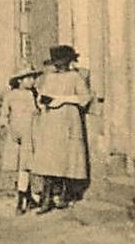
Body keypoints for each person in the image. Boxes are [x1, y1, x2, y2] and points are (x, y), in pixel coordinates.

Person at [29, 44, 92, 212]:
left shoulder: (75, 77)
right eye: (57, 62)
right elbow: (42, 95)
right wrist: (42, 102)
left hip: (68, 119)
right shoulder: (49, 78)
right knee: (48, 160)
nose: (59, 65)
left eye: (62, 62)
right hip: (50, 121)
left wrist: (63, 99)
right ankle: (46, 198)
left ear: (70, 62)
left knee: (67, 158)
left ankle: (64, 195)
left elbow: (85, 98)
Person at [0, 71, 40, 213]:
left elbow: (36, 113)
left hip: (30, 134)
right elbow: (4, 117)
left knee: (26, 166)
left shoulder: (32, 95)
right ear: (20, 80)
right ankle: (24, 199)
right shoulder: (10, 96)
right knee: (21, 167)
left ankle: (23, 200)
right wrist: (11, 131)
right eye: (29, 78)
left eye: (33, 78)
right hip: (15, 135)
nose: (32, 81)